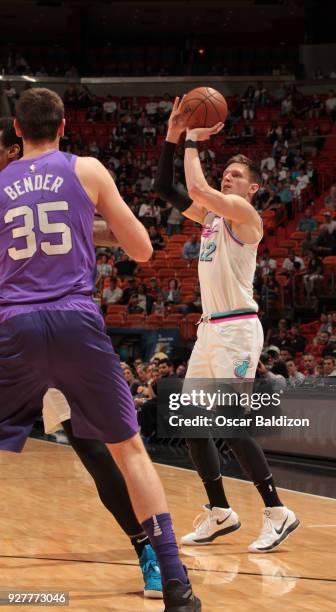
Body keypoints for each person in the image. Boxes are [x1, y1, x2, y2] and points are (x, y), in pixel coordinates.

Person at [0, 90, 200, 611]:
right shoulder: (86, 170)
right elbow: (142, 249)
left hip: (14, 324)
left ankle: (150, 561)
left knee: (79, 452)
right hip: (74, 317)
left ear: (16, 131)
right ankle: (176, 584)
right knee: (129, 452)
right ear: (64, 126)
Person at [155, 97, 299, 554]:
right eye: (227, 172)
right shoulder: (213, 217)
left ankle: (278, 511)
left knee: (232, 424)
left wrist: (196, 138)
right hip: (210, 329)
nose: (228, 176)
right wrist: (173, 134)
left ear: (253, 190)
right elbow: (165, 187)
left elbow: (195, 189)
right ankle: (220, 512)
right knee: (194, 423)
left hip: (238, 329)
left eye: (237, 175)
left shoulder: (246, 217)